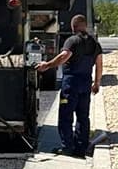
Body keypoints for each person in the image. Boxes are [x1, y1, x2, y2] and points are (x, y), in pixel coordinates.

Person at [36, 14, 104, 157]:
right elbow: (99, 64)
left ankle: (67, 147)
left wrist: (47, 65)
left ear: (73, 27)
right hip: (86, 84)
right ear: (85, 25)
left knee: (66, 116)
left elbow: (63, 56)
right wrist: (97, 83)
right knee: (83, 117)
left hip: (71, 84)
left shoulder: (72, 41)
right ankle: (81, 148)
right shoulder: (94, 44)